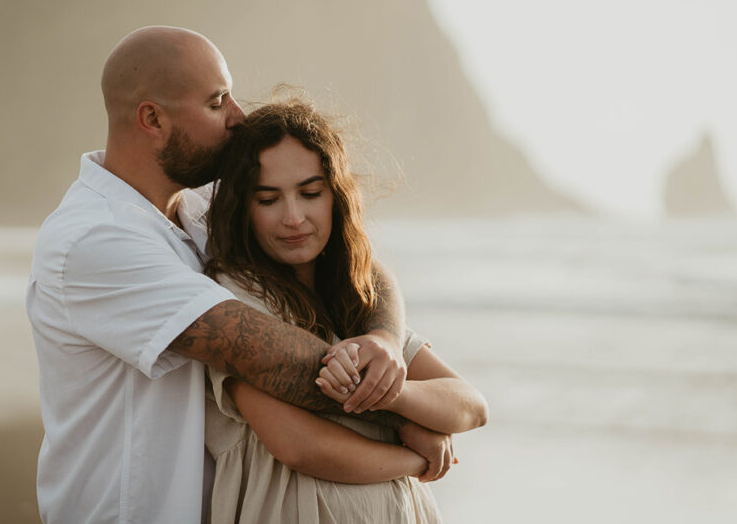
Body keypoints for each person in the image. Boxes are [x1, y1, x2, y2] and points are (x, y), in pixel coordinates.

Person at [25, 26, 420, 524]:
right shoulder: (96, 240)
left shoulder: (198, 208)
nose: (239, 117)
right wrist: (419, 418)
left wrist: (384, 338)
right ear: (152, 118)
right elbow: (280, 363)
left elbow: (350, 261)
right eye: (217, 102)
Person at [204, 100, 489, 523]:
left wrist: (391, 386)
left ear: (336, 195)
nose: (293, 217)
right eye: (268, 199)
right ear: (243, 208)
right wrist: (415, 455)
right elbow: (297, 445)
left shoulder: (355, 296)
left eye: (310, 192)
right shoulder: (236, 298)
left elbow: (471, 406)